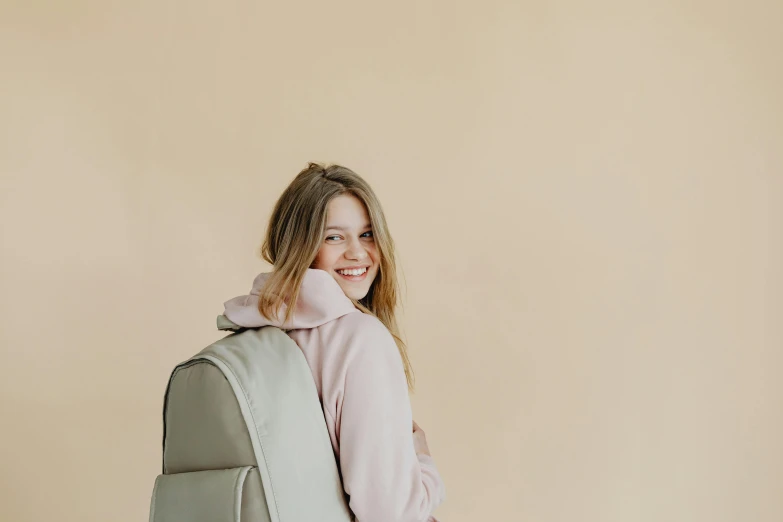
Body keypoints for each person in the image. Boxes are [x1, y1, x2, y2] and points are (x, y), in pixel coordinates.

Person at [222, 162, 446, 522]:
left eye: (368, 234)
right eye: (334, 237)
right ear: (301, 246)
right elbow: (389, 512)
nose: (358, 253)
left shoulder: (255, 335)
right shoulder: (361, 339)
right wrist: (422, 461)